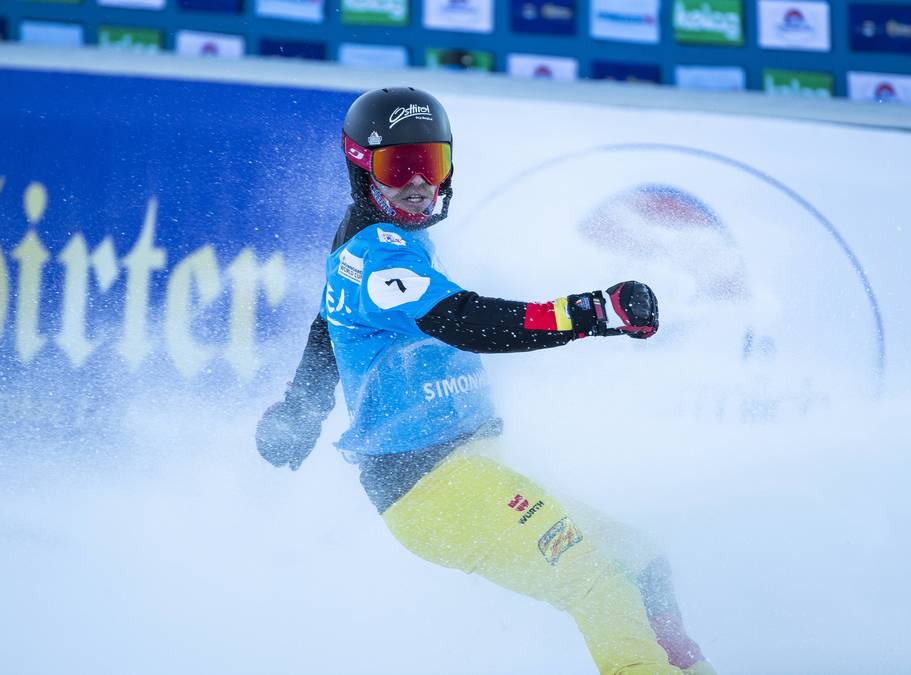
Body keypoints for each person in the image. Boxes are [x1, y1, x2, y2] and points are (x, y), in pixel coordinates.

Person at [257, 87, 716, 675]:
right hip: (428, 485)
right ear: (360, 167)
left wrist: (301, 410)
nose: (420, 183)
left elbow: (328, 318)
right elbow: (467, 322)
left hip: (469, 466)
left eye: (434, 163)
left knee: (641, 564)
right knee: (597, 581)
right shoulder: (378, 255)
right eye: (400, 168)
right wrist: (592, 311)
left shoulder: (382, 230)